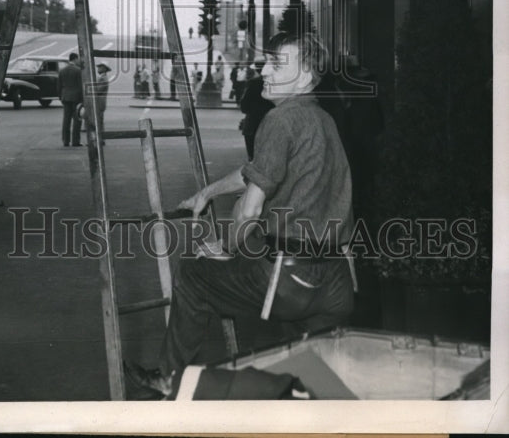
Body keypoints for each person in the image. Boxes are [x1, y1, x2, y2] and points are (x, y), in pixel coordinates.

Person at [124, 31, 354, 399]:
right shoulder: (322, 119)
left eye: (278, 64)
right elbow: (257, 170)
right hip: (338, 284)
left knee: (195, 273)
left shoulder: (280, 121)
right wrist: (207, 192)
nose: (264, 70)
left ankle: (169, 377)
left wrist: (225, 247)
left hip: (291, 280)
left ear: (308, 77)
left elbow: (250, 207)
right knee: (305, 373)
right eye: (267, 62)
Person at [58, 51, 83, 147]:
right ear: (75, 59)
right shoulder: (78, 70)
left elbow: (59, 86)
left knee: (66, 120)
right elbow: (80, 86)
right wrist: (82, 100)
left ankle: (65, 141)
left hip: (65, 97)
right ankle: (75, 141)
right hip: (76, 98)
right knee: (77, 120)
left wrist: (61, 97)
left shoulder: (62, 70)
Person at [83, 62, 111, 142]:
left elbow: (98, 90)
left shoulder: (103, 78)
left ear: (104, 69)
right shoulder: (102, 78)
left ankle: (100, 139)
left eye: (100, 67)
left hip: (99, 102)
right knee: (98, 121)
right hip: (99, 102)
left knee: (98, 121)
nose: (98, 69)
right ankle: (99, 139)